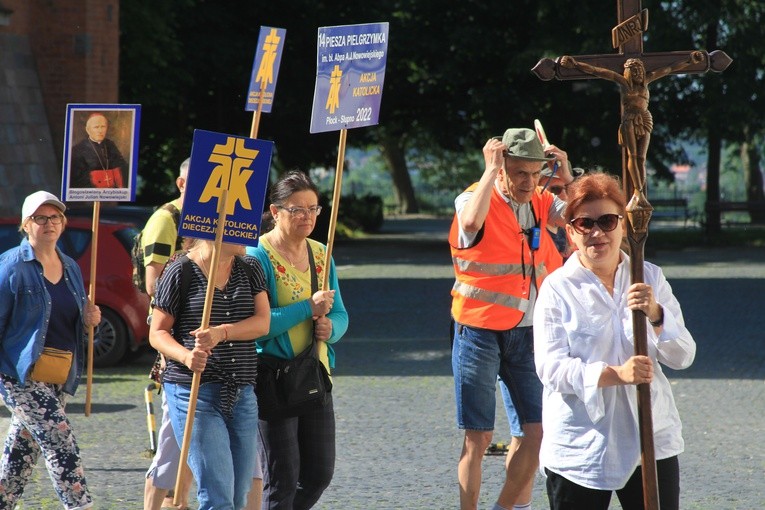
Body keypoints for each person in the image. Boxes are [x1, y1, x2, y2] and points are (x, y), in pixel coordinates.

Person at [533, 172, 696, 510]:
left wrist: (655, 313)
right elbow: (551, 369)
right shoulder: (556, 288)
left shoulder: (648, 275)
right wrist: (616, 374)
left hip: (650, 439)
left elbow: (683, 356)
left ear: (624, 225)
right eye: (585, 223)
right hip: (582, 447)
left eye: (607, 221)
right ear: (571, 232)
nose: (597, 232)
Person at [449, 128, 574, 510]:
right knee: (479, 437)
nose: (529, 182)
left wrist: (566, 177)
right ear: (502, 168)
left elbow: (579, 219)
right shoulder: (472, 196)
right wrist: (489, 171)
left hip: (529, 332)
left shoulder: (539, 198)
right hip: (478, 331)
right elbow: (470, 225)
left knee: (536, 433)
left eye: (536, 173)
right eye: (520, 173)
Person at [247, 170, 349, 509]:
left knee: (319, 473)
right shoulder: (256, 256)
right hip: (273, 378)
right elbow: (259, 324)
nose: (307, 216)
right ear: (275, 212)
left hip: (313, 373)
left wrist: (330, 328)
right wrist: (308, 308)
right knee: (281, 480)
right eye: (297, 209)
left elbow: (341, 314)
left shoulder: (322, 252)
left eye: (313, 209)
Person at [149, 239, 270, 509]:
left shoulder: (250, 266)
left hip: (242, 390)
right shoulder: (180, 270)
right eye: (240, 226)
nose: (249, 235)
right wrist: (185, 356)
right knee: (218, 496)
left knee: (239, 495)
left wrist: (221, 332)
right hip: (195, 392)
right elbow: (157, 332)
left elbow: (263, 323)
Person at [0, 190, 101, 509]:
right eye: (40, 218)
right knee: (60, 440)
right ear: (25, 225)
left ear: (63, 222)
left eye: (55, 216)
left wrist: (90, 317)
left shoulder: (70, 266)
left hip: (59, 371)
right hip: (20, 375)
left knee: (21, 452)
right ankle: (79, 505)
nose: (49, 223)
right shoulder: (11, 267)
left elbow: (73, 316)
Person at [559, 52, 704, 192]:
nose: (638, 73)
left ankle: (641, 189)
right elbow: (598, 71)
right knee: (633, 155)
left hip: (645, 118)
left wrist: (690, 61)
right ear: (628, 72)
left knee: (641, 157)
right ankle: (638, 190)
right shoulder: (623, 83)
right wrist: (575, 64)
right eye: (634, 71)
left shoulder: (647, 80)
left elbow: (669, 68)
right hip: (629, 119)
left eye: (639, 70)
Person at [142, 157, 193, 510]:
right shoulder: (167, 219)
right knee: (176, 432)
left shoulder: (220, 219)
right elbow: (153, 283)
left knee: (195, 436)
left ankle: (181, 503)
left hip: (209, 336)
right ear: (181, 183)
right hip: (174, 336)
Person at [70, 112, 130, 189]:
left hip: (112, 191)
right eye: (96, 127)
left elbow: (122, 166)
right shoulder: (78, 149)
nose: (100, 130)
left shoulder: (110, 144)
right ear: (88, 130)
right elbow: (77, 177)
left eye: (103, 126)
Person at [539, 164, 585, 260]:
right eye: (556, 189)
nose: (565, 195)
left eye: (568, 189)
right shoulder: (528, 228)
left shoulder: (573, 227)